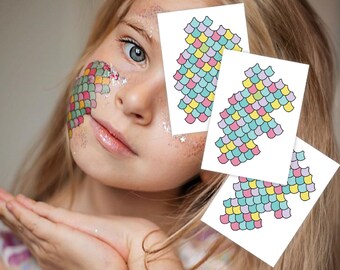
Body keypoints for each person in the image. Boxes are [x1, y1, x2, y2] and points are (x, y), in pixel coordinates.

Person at [0, 0, 339, 269]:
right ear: (97, 41)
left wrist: (146, 251)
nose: (134, 100)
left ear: (230, 152)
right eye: (135, 50)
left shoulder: (240, 262)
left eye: (194, 99)